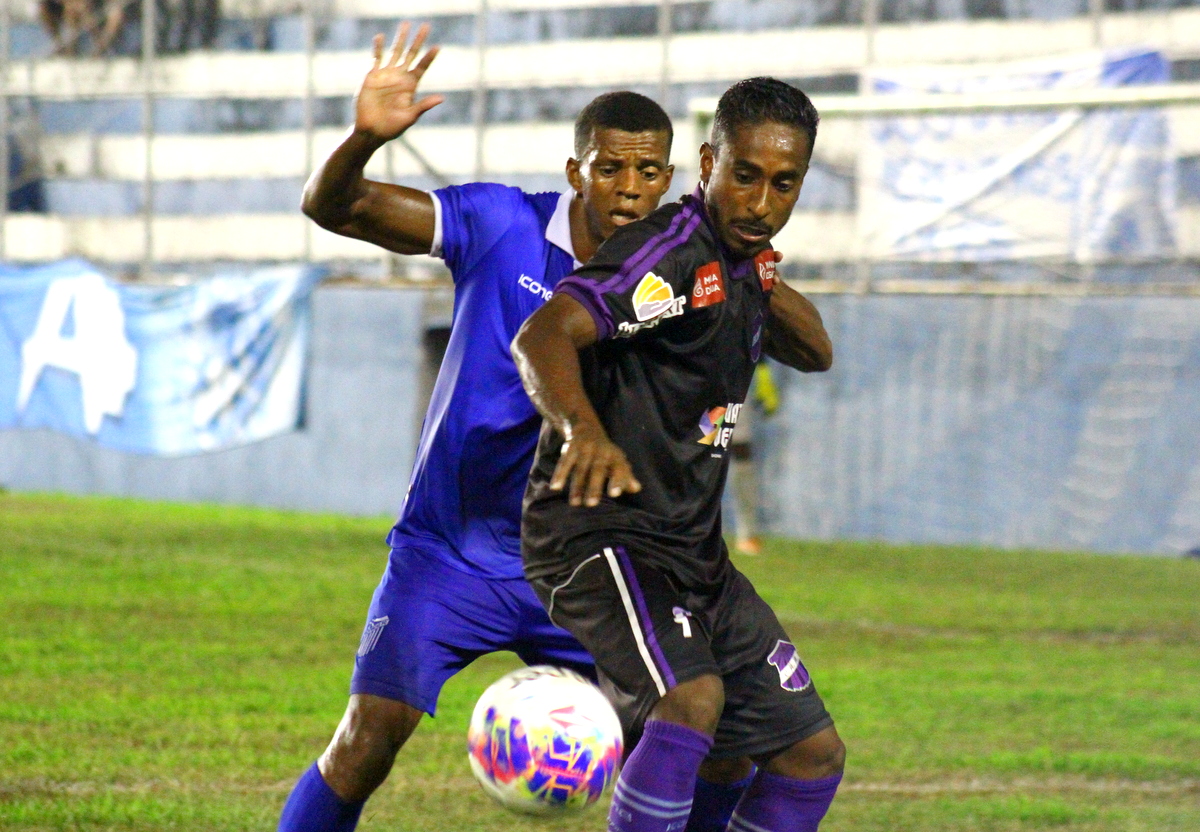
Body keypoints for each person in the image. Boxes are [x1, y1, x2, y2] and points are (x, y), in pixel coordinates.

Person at [278, 23, 750, 832]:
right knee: (366, 739)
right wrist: (363, 139)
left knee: (721, 735)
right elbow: (336, 206)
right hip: (449, 552)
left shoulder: (681, 274)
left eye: (646, 172)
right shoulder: (501, 226)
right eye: (609, 168)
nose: (629, 189)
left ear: (669, 179)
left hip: (584, 564)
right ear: (577, 172)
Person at [512, 76, 846, 832]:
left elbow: (819, 351)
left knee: (810, 754)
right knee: (691, 700)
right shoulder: (663, 251)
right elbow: (542, 336)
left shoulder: (741, 260)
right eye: (746, 176)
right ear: (707, 164)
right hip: (600, 539)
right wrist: (583, 432)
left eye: (783, 184)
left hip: (692, 553)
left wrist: (762, 277)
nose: (761, 202)